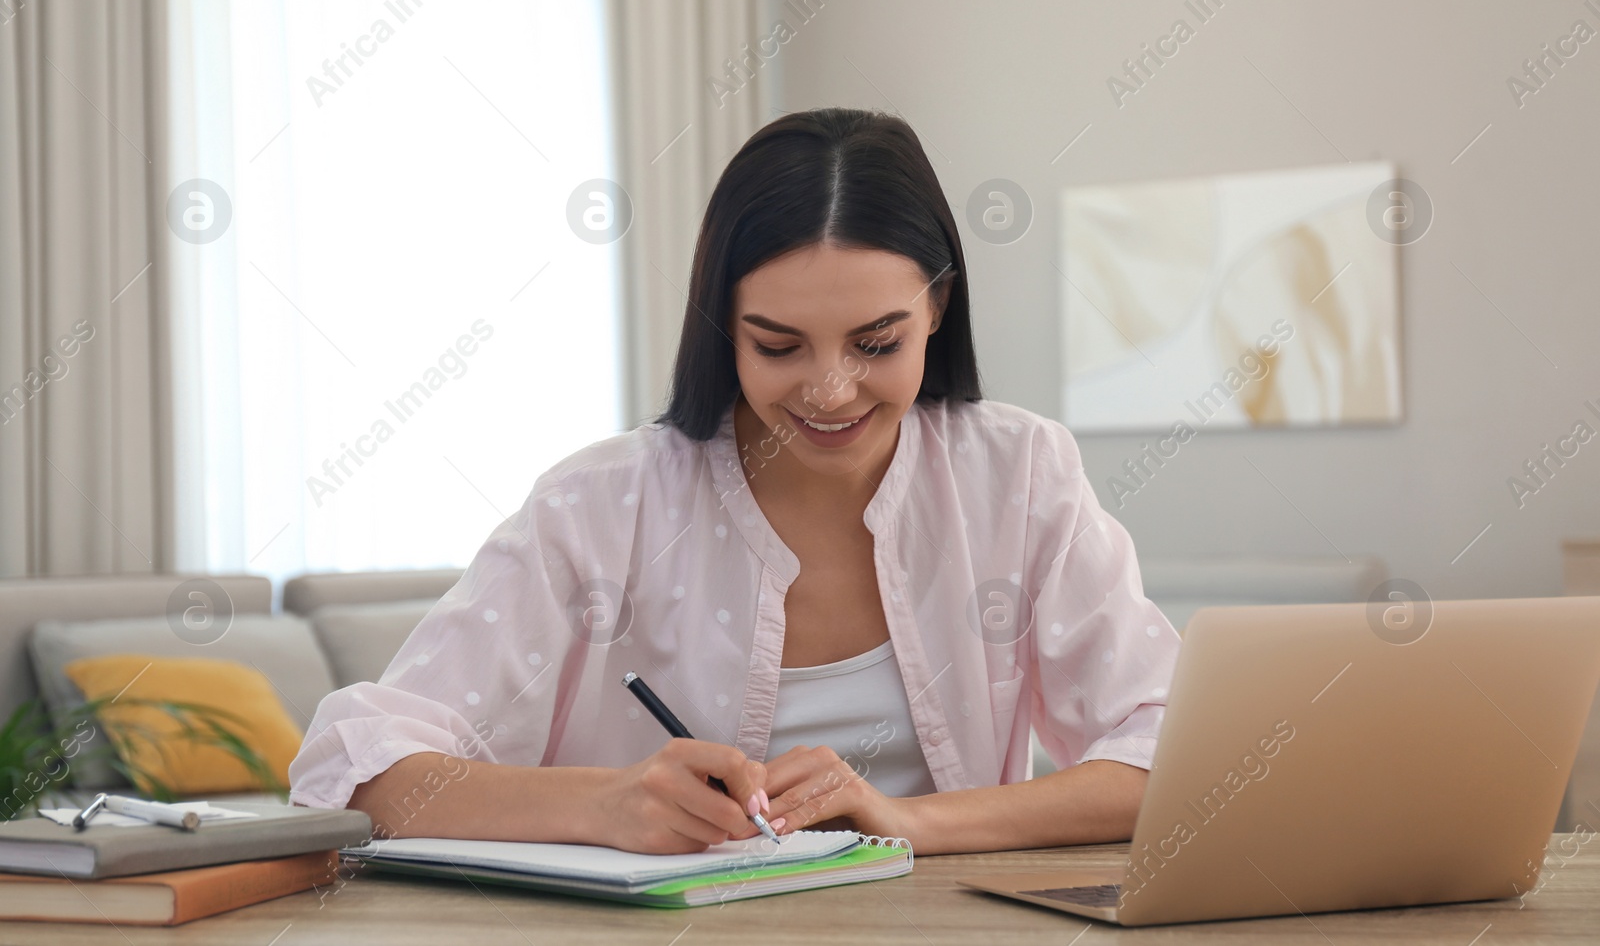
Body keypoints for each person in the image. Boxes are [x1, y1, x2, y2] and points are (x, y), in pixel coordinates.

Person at [287, 107, 1181, 856]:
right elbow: (354, 767)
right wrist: (601, 805)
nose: (831, 391)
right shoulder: (599, 505)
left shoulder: (1019, 473)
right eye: (778, 345)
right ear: (723, 326)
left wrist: (908, 820)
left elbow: (1175, 747)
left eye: (876, 343)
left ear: (937, 310)